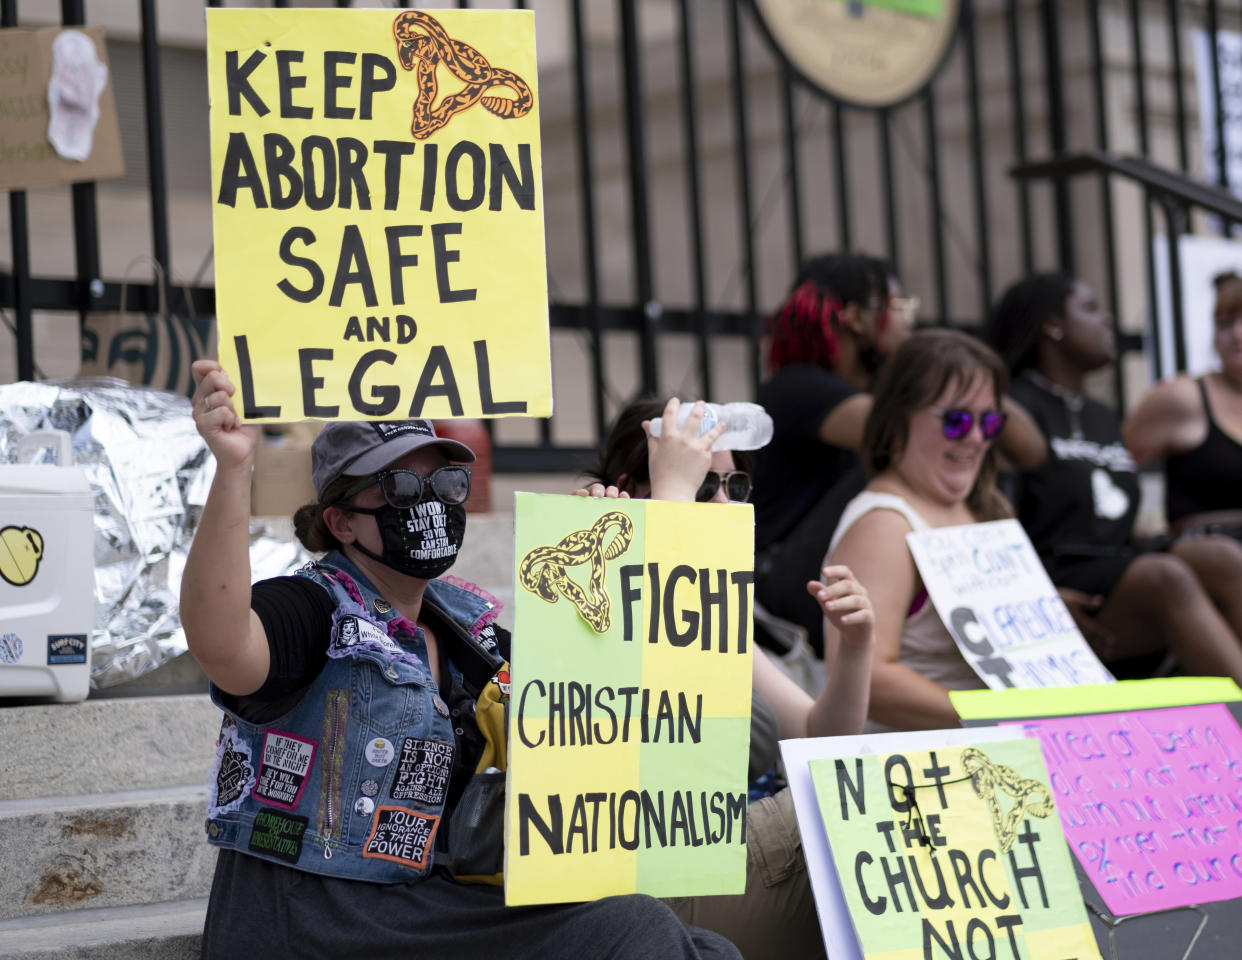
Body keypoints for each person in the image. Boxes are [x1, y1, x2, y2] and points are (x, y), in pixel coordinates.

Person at [181, 360, 741, 960]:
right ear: (340, 521)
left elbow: (597, 728)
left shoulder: (466, 629)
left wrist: (608, 558)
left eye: (446, 484)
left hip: (423, 901)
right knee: (634, 931)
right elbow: (221, 642)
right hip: (315, 912)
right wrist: (235, 469)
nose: (429, 501)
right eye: (397, 487)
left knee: (706, 950)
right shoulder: (312, 607)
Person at [578, 396, 876, 960]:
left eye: (734, 487)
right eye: (699, 485)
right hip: (658, 881)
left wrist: (856, 649)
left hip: (728, 858)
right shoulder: (592, 588)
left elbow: (819, 739)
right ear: (631, 491)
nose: (723, 502)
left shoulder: (710, 610)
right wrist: (667, 502)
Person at [753, 253, 1041, 655]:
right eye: (898, 307)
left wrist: (969, 383)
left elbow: (1030, 450)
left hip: (832, 570)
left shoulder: (879, 392)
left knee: (971, 470)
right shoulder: (797, 386)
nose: (908, 321)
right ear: (854, 318)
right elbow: (908, 433)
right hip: (780, 584)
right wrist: (938, 366)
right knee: (915, 458)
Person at [989, 273, 1242, 685]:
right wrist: (1035, 597)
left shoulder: (1101, 415)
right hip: (1057, 577)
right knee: (1166, 576)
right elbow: (991, 516)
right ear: (1053, 325)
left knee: (1222, 557)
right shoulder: (1013, 408)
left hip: (1115, 564)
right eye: (1090, 309)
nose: (1107, 319)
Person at [824, 329, 1013, 731]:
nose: (977, 438)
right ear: (898, 419)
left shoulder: (988, 508)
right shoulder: (884, 525)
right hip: (922, 772)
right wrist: (1004, 715)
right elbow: (866, 680)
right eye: (956, 421)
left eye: (991, 421)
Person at [1124, 269, 1242, 540]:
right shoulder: (1182, 397)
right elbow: (1104, 465)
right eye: (1224, 324)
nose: (1236, 334)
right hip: (1208, 557)